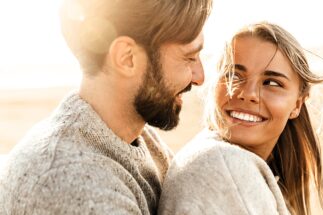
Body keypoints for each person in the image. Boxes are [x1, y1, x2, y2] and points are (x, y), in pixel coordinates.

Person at [0, 0, 212, 214]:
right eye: (190, 57)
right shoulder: (74, 188)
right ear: (127, 58)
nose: (200, 77)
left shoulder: (137, 136)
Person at [158, 22, 323, 215]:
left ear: (297, 104)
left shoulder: (227, 159)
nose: (248, 93)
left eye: (271, 83)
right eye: (234, 75)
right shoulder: (226, 165)